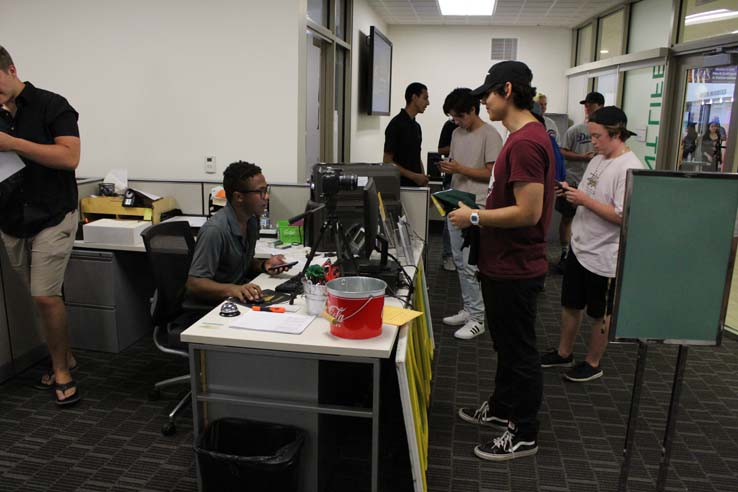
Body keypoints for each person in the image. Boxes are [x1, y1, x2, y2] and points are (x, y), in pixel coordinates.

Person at [449, 61, 555, 461]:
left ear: (507, 90)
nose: (483, 103)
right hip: (503, 261)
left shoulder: (527, 141)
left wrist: (473, 216)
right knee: (507, 347)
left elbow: (528, 212)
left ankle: (523, 431)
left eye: (487, 95)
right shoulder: (519, 137)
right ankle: (502, 408)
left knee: (520, 351)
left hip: (516, 266)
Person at [0, 46, 82, 406]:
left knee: (44, 295)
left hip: (53, 214)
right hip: (11, 218)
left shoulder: (52, 105)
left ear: (12, 69)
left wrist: (12, 143)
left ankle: (61, 371)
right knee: (40, 297)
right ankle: (64, 355)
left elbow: (69, 156)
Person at [541, 107, 645, 382]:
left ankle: (593, 362)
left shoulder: (630, 168)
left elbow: (624, 217)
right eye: (591, 136)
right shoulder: (599, 159)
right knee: (570, 304)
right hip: (581, 244)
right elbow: (589, 193)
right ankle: (564, 353)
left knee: (600, 313)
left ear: (617, 134)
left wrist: (584, 200)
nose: (593, 142)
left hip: (605, 255)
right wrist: (569, 191)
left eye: (598, 137)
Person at [440, 88, 502, 340]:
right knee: (458, 260)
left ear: (472, 111)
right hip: (455, 201)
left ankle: (478, 318)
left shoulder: (490, 135)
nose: (455, 121)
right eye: (453, 117)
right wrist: (450, 168)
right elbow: (457, 167)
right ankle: (469, 309)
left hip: (477, 206)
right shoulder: (456, 133)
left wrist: (460, 168)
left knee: (470, 264)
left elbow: (491, 173)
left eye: (458, 116)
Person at [186, 161, 293, 303]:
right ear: (239, 197)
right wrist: (233, 289)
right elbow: (195, 284)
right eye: (260, 192)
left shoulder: (251, 222)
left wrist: (263, 265)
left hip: (237, 299)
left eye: (265, 190)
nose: (266, 197)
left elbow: (241, 264)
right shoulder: (215, 231)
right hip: (214, 307)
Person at [556, 91, 604, 273]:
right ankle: (564, 253)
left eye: (591, 104)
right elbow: (562, 151)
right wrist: (582, 157)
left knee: (588, 219)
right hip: (573, 180)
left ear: (600, 106)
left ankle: (583, 255)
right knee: (567, 218)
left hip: (594, 185)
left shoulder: (604, 133)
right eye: (586, 104)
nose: (587, 107)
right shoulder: (575, 130)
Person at [383, 82, 430, 187]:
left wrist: (422, 177)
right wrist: (414, 176)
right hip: (401, 187)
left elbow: (417, 156)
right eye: (425, 98)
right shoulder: (396, 125)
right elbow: (387, 161)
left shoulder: (416, 126)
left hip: (416, 187)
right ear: (414, 97)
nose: (428, 103)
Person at [438, 108, 458, 272]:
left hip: (466, 180)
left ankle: (459, 256)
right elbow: (441, 149)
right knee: (449, 220)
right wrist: (458, 145)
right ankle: (448, 255)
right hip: (451, 179)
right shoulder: (449, 126)